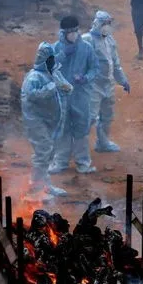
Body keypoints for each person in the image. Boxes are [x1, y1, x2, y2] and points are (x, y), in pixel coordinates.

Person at [21, 42, 72, 199]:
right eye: (50, 59)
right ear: (44, 59)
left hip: (51, 120)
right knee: (43, 152)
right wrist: (52, 87)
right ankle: (35, 188)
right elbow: (33, 95)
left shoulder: (53, 73)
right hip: (36, 120)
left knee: (49, 152)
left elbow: (66, 87)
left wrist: (64, 87)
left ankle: (45, 185)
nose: (53, 61)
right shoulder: (33, 77)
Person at [50, 16, 99, 174]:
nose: (74, 35)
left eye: (76, 31)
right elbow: (48, 68)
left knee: (81, 129)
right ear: (63, 33)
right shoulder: (55, 48)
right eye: (70, 32)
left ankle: (83, 162)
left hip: (80, 95)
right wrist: (63, 55)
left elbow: (94, 68)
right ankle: (60, 162)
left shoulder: (86, 48)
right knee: (62, 129)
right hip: (61, 97)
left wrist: (85, 78)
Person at [82, 11, 130, 153]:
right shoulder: (86, 40)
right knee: (89, 117)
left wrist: (123, 80)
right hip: (93, 85)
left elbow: (115, 64)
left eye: (109, 24)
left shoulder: (110, 40)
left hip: (108, 84)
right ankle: (75, 145)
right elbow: (79, 64)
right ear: (97, 24)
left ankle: (102, 143)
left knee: (107, 116)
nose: (107, 27)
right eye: (105, 24)